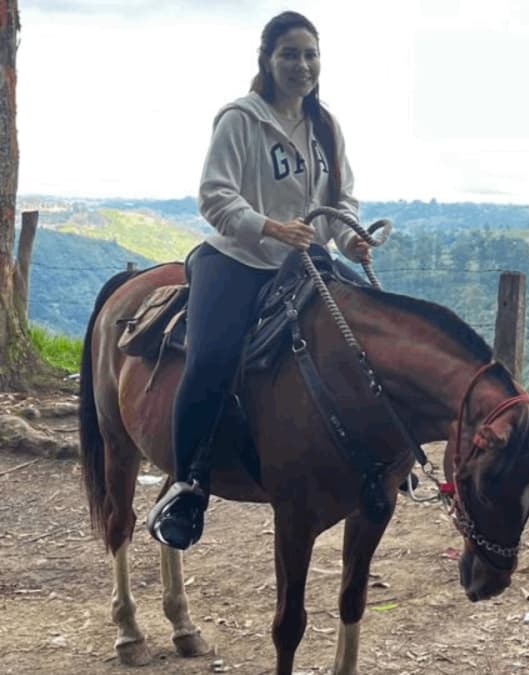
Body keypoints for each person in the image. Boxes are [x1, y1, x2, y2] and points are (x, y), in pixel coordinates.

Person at [147, 10, 370, 550]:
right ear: (267, 61)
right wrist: (268, 226)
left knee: (364, 336)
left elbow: (341, 201)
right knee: (211, 358)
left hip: (305, 258)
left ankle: (373, 454)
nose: (302, 65)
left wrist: (349, 239)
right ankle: (188, 483)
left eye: (310, 54)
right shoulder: (240, 120)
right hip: (237, 260)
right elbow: (215, 196)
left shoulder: (325, 126)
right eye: (290, 54)